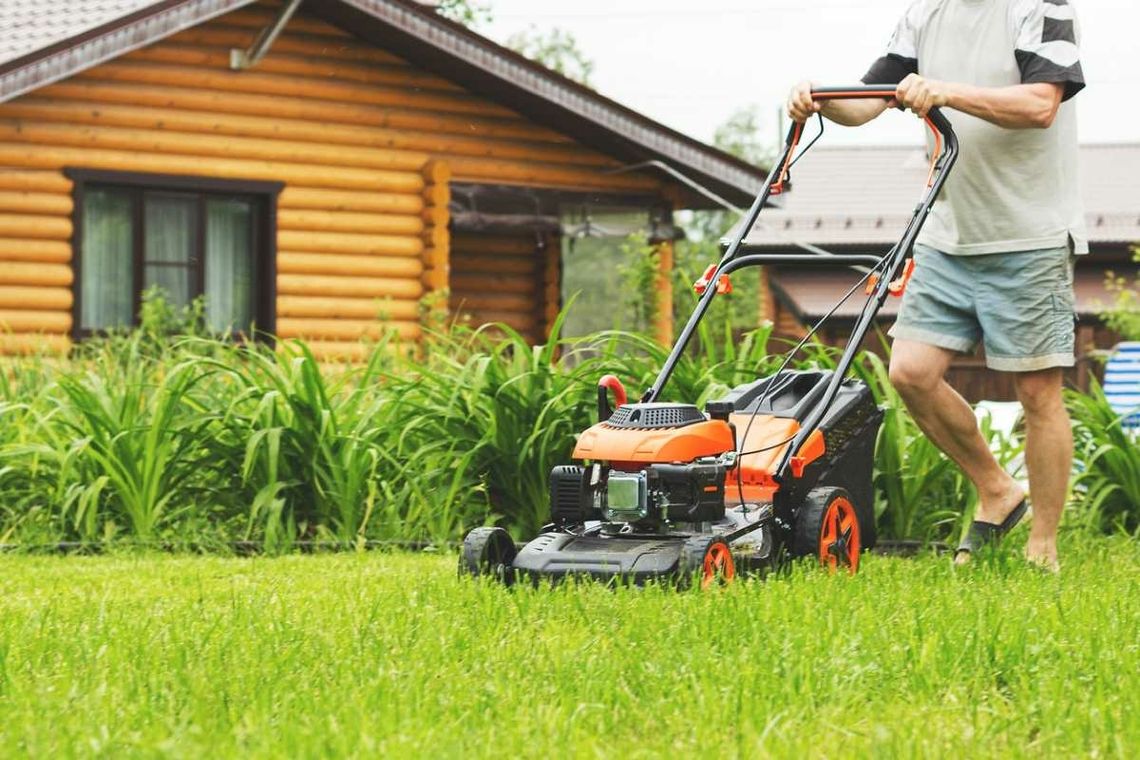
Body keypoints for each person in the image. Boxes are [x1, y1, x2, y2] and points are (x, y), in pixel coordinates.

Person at [787, 0, 1086, 571]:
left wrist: (947, 91)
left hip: (1029, 234)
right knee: (911, 374)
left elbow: (1041, 104)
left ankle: (1042, 543)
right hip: (947, 235)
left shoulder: (1041, 8)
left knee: (1038, 394)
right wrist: (819, 98)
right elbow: (871, 100)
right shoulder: (925, 14)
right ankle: (997, 489)